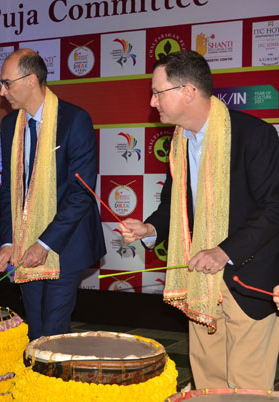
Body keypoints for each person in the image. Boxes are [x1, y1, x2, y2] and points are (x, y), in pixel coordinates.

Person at [119, 50, 279, 390]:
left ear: (188, 92)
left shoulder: (253, 135)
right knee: (208, 384)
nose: (152, 102)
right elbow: (173, 204)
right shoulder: (179, 143)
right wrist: (149, 228)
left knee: (248, 389)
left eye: (158, 92)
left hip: (248, 279)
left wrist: (224, 251)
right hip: (200, 282)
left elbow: (274, 208)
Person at [0, 49, 106, 341]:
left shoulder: (74, 120)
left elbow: (81, 192)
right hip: (25, 244)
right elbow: (8, 190)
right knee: (35, 328)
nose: (2, 91)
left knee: (54, 331)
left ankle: (55, 371)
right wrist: (8, 242)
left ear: (31, 80)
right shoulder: (10, 125)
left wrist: (44, 243)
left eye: (7, 83)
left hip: (65, 244)